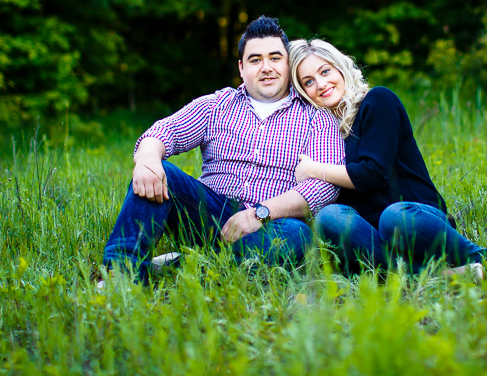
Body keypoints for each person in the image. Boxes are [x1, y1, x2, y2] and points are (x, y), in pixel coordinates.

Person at [103, 16, 345, 282]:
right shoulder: (218, 104)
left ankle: (187, 267)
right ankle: (120, 274)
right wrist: (148, 159)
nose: (266, 67)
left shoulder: (317, 117)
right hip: (208, 214)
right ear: (242, 68)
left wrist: (259, 213)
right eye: (255, 60)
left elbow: (323, 188)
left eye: (275, 58)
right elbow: (163, 132)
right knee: (159, 172)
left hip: (270, 223)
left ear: (289, 64)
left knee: (298, 235)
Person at [288, 38, 487, 277]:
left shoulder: (378, 101)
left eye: (325, 71)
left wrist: (314, 169)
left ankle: (486, 262)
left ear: (340, 68)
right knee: (329, 218)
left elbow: (374, 173)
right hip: (370, 236)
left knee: (394, 218)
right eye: (308, 82)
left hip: (413, 220)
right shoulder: (322, 134)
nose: (321, 84)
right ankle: (437, 276)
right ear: (302, 92)